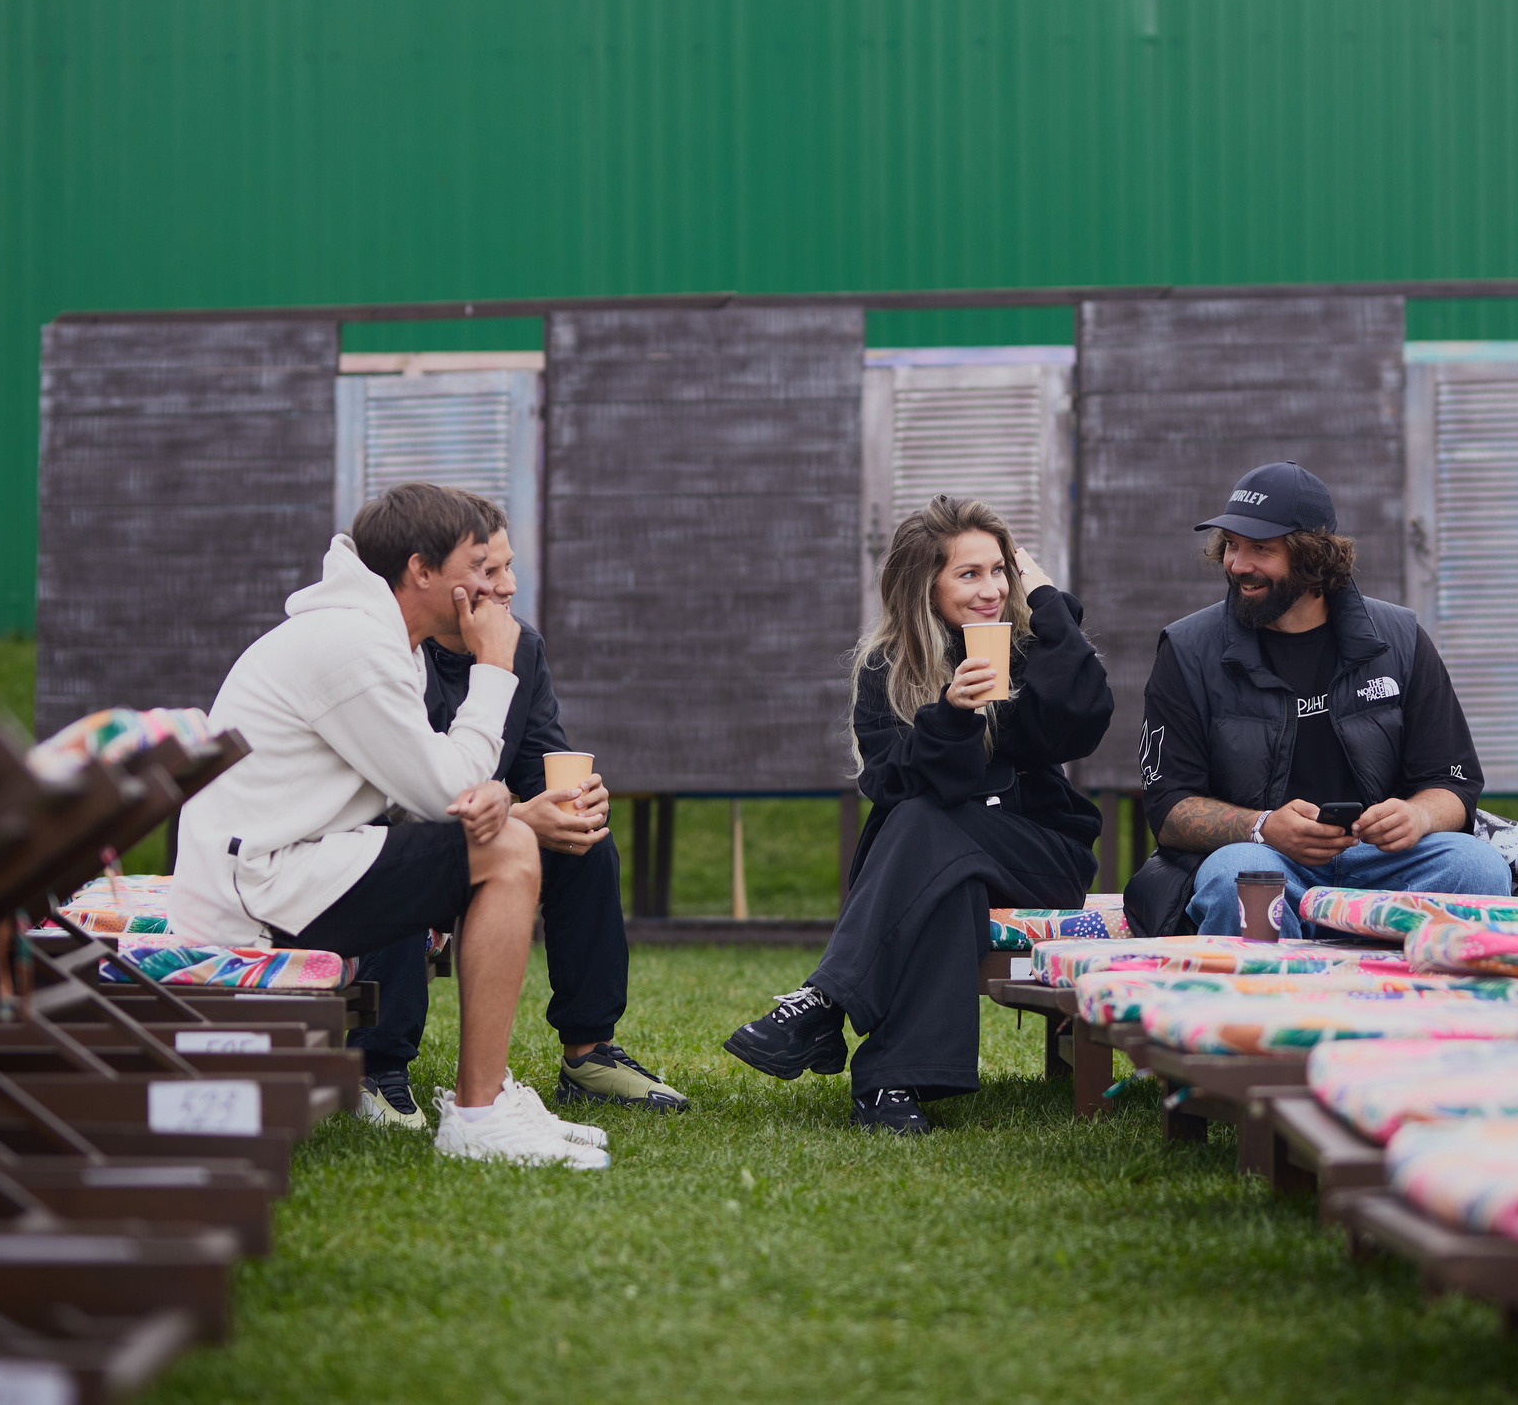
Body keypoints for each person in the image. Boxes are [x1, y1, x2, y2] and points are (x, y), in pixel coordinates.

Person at [172, 482, 609, 1166]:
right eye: (482, 568)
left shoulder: (376, 636)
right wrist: (494, 670)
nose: (500, 590)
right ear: (422, 570)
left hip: (279, 869)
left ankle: (485, 1102)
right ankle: (478, 1112)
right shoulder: (351, 643)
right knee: (512, 850)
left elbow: (427, 790)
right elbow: (447, 787)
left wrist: (490, 800)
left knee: (507, 835)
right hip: (257, 891)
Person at [723, 495, 1113, 1134]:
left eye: (999, 570)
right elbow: (892, 783)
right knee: (936, 856)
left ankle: (825, 1001)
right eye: (968, 574)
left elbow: (1082, 722)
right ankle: (888, 1089)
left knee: (925, 832)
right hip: (938, 863)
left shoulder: (1037, 645)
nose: (990, 589)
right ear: (924, 587)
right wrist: (952, 716)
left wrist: (1046, 600)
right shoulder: (887, 667)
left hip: (1042, 854)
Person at [350, 494, 687, 1126]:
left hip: (487, 841)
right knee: (399, 843)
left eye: (509, 567)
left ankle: (589, 1053)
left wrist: (570, 802)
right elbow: (403, 797)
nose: (507, 586)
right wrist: (515, 820)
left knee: (587, 841)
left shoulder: (522, 648)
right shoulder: (393, 656)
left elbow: (540, 762)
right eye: (488, 570)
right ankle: (377, 1067)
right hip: (382, 848)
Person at [1126, 461, 1510, 937]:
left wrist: (1417, 815)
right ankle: (1261, 1009)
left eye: (1260, 549)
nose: (1237, 564)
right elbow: (1169, 809)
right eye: (1231, 545)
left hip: (1384, 864)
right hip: (1263, 859)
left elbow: (1455, 784)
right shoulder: (1187, 650)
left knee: (1479, 866)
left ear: (1312, 558)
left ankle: (1437, 1009)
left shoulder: (1401, 638)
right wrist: (1264, 827)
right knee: (1240, 877)